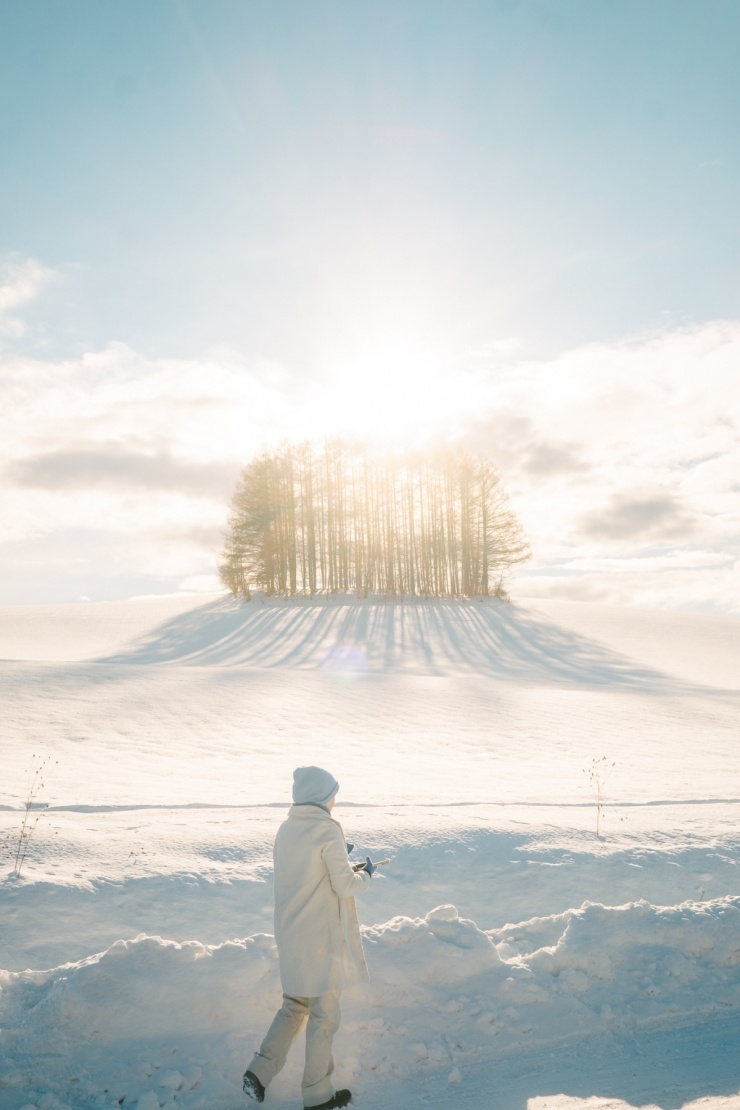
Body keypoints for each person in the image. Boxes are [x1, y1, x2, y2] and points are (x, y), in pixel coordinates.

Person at [243, 766, 377, 1110]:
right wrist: (367, 875)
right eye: (332, 794)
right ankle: (317, 1095)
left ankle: (259, 1072)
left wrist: (339, 856)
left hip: (290, 933)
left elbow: (306, 871)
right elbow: (345, 885)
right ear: (321, 795)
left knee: (295, 1005)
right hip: (321, 939)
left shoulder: (286, 829)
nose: (334, 800)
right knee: (324, 1014)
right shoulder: (327, 829)